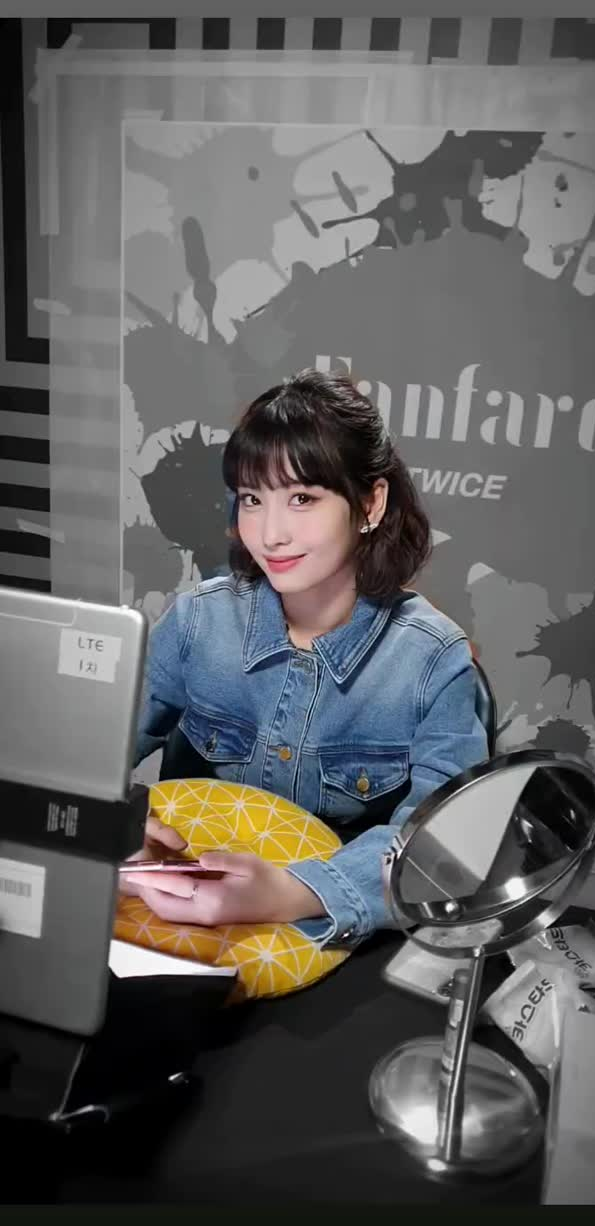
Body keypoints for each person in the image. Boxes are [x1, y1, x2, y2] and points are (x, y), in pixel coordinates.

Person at [122, 368, 488, 948]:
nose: (270, 534)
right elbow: (79, 758)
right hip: (176, 925)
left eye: (302, 499)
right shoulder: (197, 621)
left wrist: (296, 892)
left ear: (370, 503)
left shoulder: (433, 661)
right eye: (252, 499)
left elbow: (444, 848)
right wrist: (113, 828)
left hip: (339, 943)